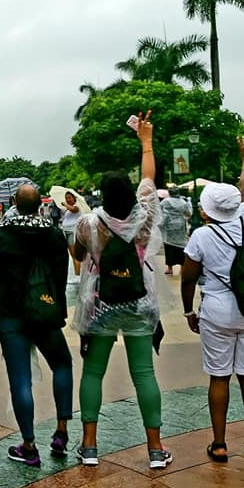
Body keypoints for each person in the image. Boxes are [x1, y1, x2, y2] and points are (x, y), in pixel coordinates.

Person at [72, 110, 171, 469]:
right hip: (140, 302)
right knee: (143, 371)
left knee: (94, 371)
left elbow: (79, 254)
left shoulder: (88, 222)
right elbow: (149, 176)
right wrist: (145, 141)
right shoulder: (144, 214)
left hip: (100, 304)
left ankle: (89, 446)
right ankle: (156, 450)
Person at [181, 136, 244, 464]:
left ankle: (219, 444)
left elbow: (189, 278)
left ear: (208, 209)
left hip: (217, 310)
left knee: (219, 377)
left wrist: (189, 311)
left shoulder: (202, 236)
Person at [0, 183, 72, 468]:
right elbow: (61, 275)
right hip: (45, 310)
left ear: (14, 202)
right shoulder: (54, 235)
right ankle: (61, 431)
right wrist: (56, 307)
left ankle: (29, 444)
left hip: (11, 313)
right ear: (40, 205)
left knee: (20, 378)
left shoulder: (3, 235)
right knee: (62, 364)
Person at [159, 189, 192, 276]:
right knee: (181, 247)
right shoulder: (183, 202)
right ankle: (182, 268)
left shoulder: (165, 201)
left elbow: (159, 209)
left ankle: (170, 268)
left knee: (169, 246)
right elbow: (188, 213)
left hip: (168, 225)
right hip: (180, 226)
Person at [59, 190, 82, 284]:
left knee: (75, 254)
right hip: (67, 232)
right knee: (72, 255)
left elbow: (73, 209)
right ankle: (77, 274)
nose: (67, 199)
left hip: (73, 232)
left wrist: (65, 204)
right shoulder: (67, 210)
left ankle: (78, 276)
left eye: (69, 197)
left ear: (74, 198)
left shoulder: (77, 207)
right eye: (66, 198)